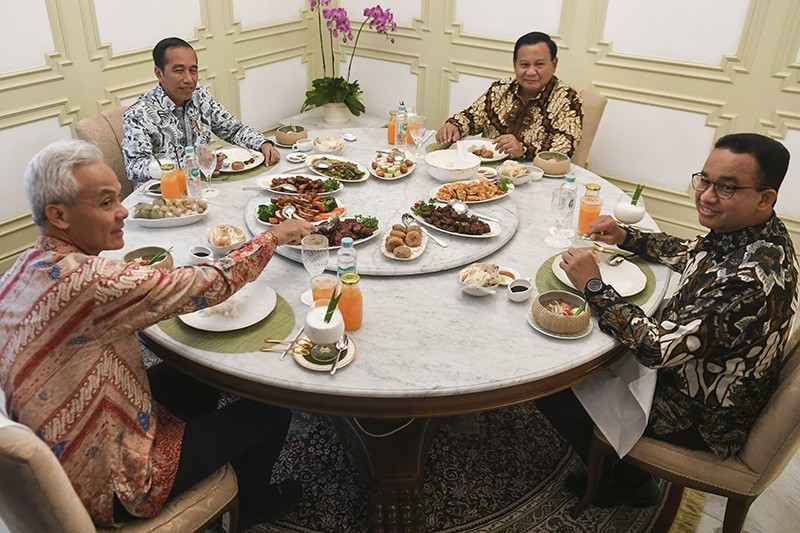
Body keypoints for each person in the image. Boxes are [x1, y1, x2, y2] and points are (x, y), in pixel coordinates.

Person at [0, 139, 315, 528]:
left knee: (196, 369)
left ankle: (200, 447)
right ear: (58, 215)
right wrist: (275, 235)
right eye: (105, 203)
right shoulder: (86, 281)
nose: (123, 212)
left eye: (118, 197)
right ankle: (248, 507)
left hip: (73, 432)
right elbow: (208, 283)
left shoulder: (25, 266)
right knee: (271, 403)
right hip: (113, 482)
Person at [537, 133, 797, 506]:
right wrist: (628, 237)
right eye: (704, 180)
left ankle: (625, 481)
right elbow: (693, 251)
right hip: (711, 378)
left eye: (726, 188)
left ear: (765, 198)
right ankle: (622, 466)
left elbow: (654, 349)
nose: (706, 195)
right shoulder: (760, 235)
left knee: (556, 378)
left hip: (700, 417)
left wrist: (593, 285)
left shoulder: (748, 280)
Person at [122, 37, 281, 189]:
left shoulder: (201, 96)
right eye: (179, 71)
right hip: (164, 198)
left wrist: (262, 143)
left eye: (193, 70)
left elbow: (233, 129)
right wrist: (191, 164)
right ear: (159, 73)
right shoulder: (138, 114)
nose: (189, 79)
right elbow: (136, 166)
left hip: (206, 186)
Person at [435, 31, 583, 160]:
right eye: (524, 65)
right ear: (515, 64)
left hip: (534, 177)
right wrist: (454, 126)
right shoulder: (500, 89)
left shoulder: (568, 100)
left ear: (554, 64)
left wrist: (523, 149)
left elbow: (565, 147)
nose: (531, 72)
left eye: (539, 65)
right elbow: (472, 117)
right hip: (487, 172)